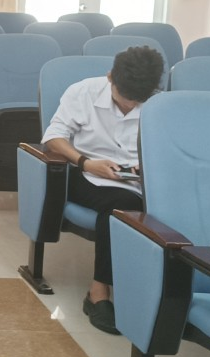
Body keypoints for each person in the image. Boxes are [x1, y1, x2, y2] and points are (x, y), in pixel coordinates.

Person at [41, 46, 165, 335]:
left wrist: (146, 166)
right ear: (110, 77)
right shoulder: (83, 92)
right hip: (85, 172)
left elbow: (169, 148)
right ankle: (98, 292)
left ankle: (163, 293)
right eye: (124, 98)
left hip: (138, 181)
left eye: (137, 101)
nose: (130, 105)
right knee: (121, 206)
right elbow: (53, 137)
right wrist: (86, 162)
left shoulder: (160, 103)